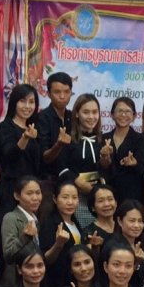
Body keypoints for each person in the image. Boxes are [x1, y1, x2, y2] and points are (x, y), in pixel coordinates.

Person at [58, 93, 109, 229]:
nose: (91, 117)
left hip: (98, 197)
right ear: (76, 114)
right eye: (86, 112)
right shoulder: (67, 138)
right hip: (75, 197)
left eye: (95, 112)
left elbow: (108, 170)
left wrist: (106, 159)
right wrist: (79, 182)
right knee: (84, 231)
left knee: (99, 232)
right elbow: (60, 167)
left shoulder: (104, 140)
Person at [0, 83, 42, 191]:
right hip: (12, 187)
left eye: (31, 102)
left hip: (32, 186)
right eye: (22, 101)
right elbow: (9, 155)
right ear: (14, 103)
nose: (27, 106)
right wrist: (25, 138)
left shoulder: (34, 127)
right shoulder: (5, 126)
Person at [0, 176, 42, 287]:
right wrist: (25, 237)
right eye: (29, 193)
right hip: (15, 283)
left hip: (34, 280)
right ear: (17, 196)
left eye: (38, 193)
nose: (35, 198)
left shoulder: (36, 219)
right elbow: (8, 254)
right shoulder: (11, 217)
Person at [102, 97, 144, 204]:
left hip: (131, 194)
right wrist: (105, 159)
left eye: (127, 111)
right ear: (112, 114)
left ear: (134, 116)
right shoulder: (104, 138)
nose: (123, 114)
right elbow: (100, 168)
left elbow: (142, 168)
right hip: (107, 194)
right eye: (120, 111)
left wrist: (134, 163)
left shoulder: (139, 138)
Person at [39, 180, 81, 287]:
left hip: (75, 279)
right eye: (65, 197)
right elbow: (45, 259)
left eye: (74, 197)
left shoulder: (76, 222)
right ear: (55, 199)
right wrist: (58, 244)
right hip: (58, 283)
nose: (70, 202)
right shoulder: (49, 223)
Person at [36, 71, 74, 179]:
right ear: (49, 94)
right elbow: (45, 157)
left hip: (72, 175)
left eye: (66, 92)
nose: (62, 96)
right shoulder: (42, 118)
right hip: (49, 178)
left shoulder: (73, 117)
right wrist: (58, 145)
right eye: (57, 92)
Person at [115, 199, 144, 287]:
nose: (137, 225)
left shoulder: (140, 243)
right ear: (120, 221)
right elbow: (120, 278)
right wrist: (136, 263)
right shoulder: (115, 247)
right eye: (132, 221)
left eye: (140, 221)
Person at [82, 183, 117, 254]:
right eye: (101, 201)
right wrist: (94, 248)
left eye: (110, 199)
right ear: (93, 207)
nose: (107, 204)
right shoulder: (89, 232)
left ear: (116, 203)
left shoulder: (124, 226)